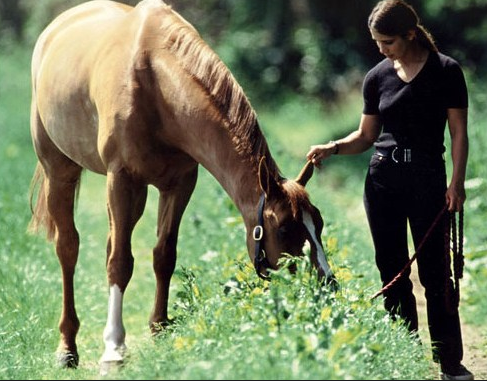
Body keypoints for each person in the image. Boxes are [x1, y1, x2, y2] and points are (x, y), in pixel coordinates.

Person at [306, 1, 473, 380]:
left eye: (387, 42)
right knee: (392, 272)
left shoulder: (447, 71)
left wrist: (457, 182)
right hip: (382, 181)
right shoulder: (376, 76)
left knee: (435, 273)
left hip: (429, 179)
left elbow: (459, 133)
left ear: (410, 34)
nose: (381, 49)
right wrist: (332, 148)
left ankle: (450, 361)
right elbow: (366, 136)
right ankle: (406, 355)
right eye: (377, 42)